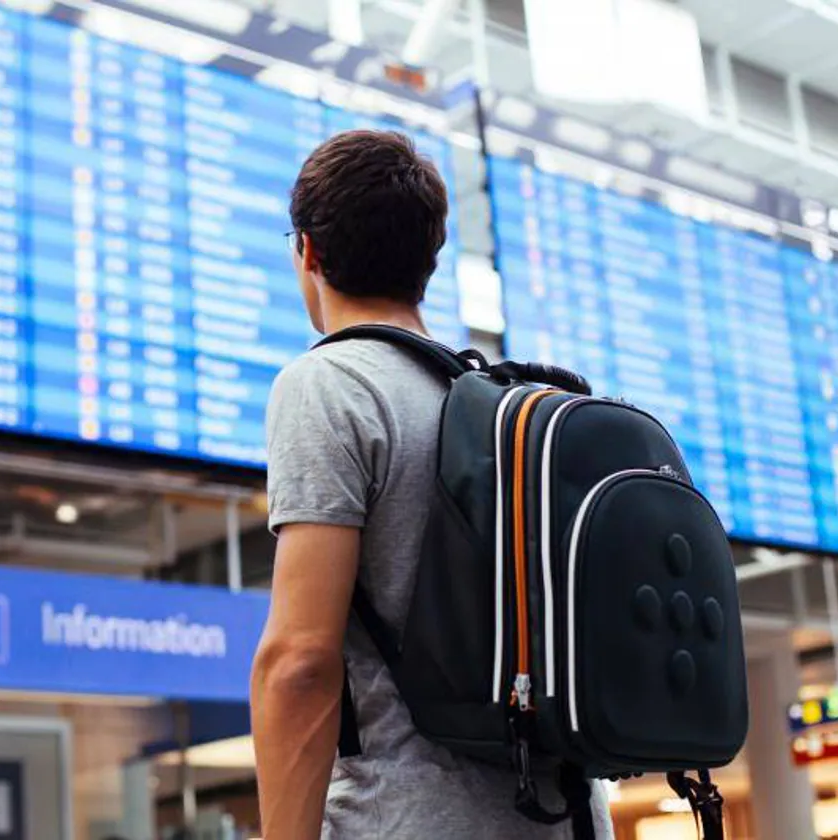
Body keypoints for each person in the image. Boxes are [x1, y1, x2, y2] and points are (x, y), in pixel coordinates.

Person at [249, 130, 613, 839]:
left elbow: (297, 661)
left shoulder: (330, 384)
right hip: (567, 819)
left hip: (413, 818)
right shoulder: (504, 409)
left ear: (308, 253)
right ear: (431, 263)